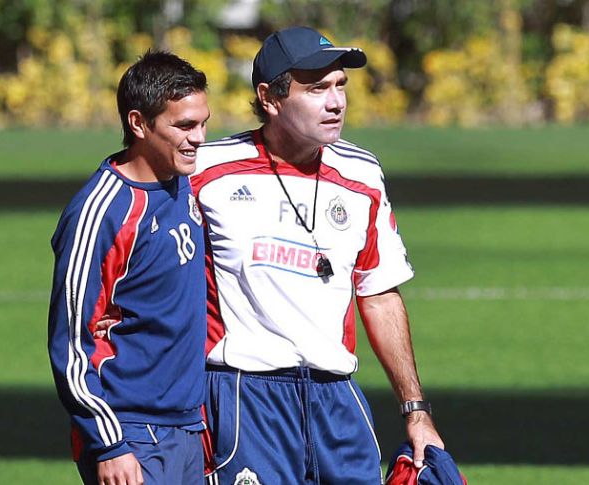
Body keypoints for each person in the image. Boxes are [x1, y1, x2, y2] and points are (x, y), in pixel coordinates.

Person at [191, 26, 446, 484]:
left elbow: (380, 293)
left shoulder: (363, 173)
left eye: (340, 86)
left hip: (338, 401)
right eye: (317, 89)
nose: (336, 102)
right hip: (247, 399)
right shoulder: (206, 172)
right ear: (269, 98)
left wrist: (416, 411)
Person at [47, 50, 211, 485]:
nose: (198, 138)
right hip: (130, 434)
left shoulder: (182, 181)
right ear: (138, 124)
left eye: (202, 123)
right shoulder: (102, 212)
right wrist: (109, 444)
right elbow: (70, 343)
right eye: (183, 126)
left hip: (188, 428)